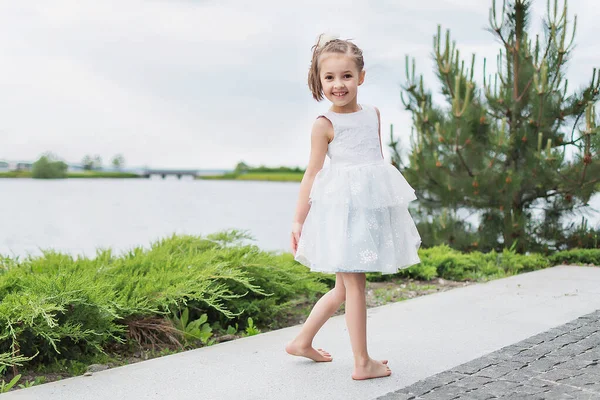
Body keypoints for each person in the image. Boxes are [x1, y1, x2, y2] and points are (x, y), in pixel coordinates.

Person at [285, 33, 422, 380]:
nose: (338, 84)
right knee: (356, 285)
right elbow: (311, 174)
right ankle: (362, 362)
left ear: (361, 76)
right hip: (341, 214)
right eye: (329, 77)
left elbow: (375, 163)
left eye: (346, 76)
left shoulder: (374, 114)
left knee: (343, 288)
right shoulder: (324, 125)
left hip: (366, 212)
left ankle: (302, 341)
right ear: (319, 80)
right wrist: (299, 221)